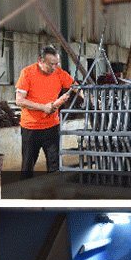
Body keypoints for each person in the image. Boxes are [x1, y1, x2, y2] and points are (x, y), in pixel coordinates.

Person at [16, 44, 81, 178]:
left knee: (55, 167)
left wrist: (91, 97)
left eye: (56, 64)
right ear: (40, 60)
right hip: (31, 128)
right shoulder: (27, 73)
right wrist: (43, 107)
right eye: (51, 64)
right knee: (27, 168)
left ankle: (53, 196)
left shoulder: (58, 73)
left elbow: (76, 86)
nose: (54, 67)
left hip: (51, 127)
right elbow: (19, 100)